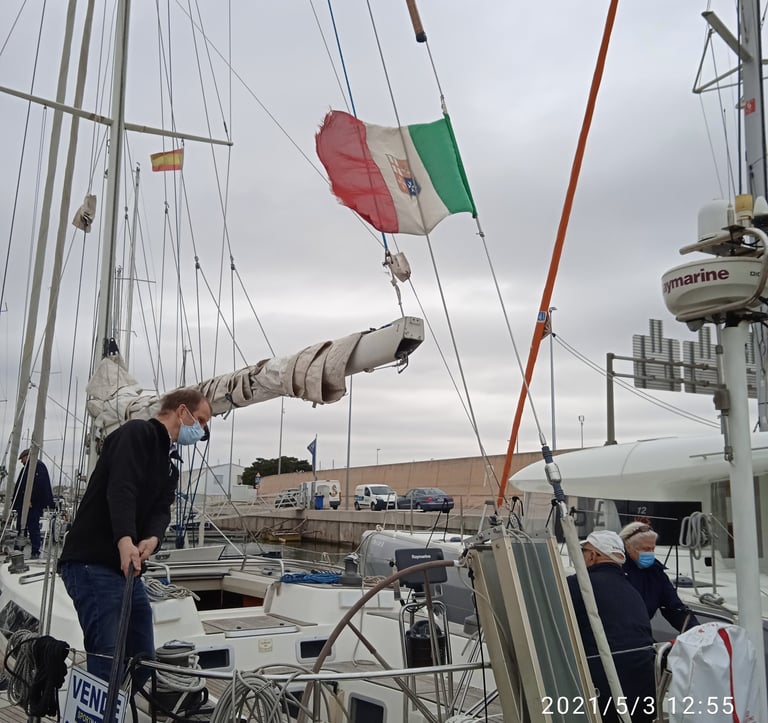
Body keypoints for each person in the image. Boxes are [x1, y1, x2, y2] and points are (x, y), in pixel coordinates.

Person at [58, 388, 212, 685]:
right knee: (108, 659)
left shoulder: (169, 465)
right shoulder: (137, 433)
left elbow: (162, 510)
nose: (203, 431)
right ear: (182, 412)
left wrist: (152, 539)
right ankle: (102, 704)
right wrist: (125, 540)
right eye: (201, 421)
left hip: (125, 572)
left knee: (142, 658)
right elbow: (121, 486)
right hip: (91, 562)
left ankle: (125, 701)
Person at [567, 530, 656, 723]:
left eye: (583, 551)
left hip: (604, 687)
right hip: (644, 684)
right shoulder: (632, 590)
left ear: (593, 556)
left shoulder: (577, 585)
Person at [619, 521, 698, 632]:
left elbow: (674, 607)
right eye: (646, 549)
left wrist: (696, 631)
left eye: (653, 549)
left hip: (641, 633)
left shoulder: (656, 573)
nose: (650, 553)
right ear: (628, 547)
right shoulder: (616, 570)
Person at [13, 448, 54, 559]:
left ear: (28, 456)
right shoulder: (26, 469)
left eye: (22, 459)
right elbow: (20, 486)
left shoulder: (38, 467)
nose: (21, 461)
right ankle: (19, 549)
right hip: (24, 504)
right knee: (21, 526)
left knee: (33, 527)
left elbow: (40, 485)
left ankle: (35, 551)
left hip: (34, 505)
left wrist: (31, 499)